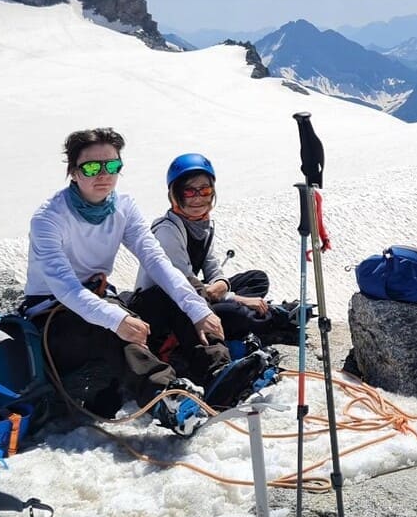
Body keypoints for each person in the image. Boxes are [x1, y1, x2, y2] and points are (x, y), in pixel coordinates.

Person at [21, 128, 218, 434]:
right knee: (111, 330)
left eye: (112, 166)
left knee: (176, 293)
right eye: (91, 167)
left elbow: (156, 261)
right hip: (53, 316)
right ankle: (167, 397)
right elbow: (66, 289)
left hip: (100, 299)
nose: (103, 174)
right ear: (73, 172)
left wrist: (197, 309)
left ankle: (217, 370)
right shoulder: (49, 218)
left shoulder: (124, 207)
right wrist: (117, 318)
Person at [132, 154, 300, 357]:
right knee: (237, 312)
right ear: (175, 194)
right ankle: (274, 318)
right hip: (168, 308)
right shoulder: (168, 231)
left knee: (257, 279)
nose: (198, 197)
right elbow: (181, 284)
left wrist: (222, 285)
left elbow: (212, 267)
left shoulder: (204, 225)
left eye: (205, 190)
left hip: (194, 294)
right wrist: (236, 298)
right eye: (189, 191)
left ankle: (257, 315)